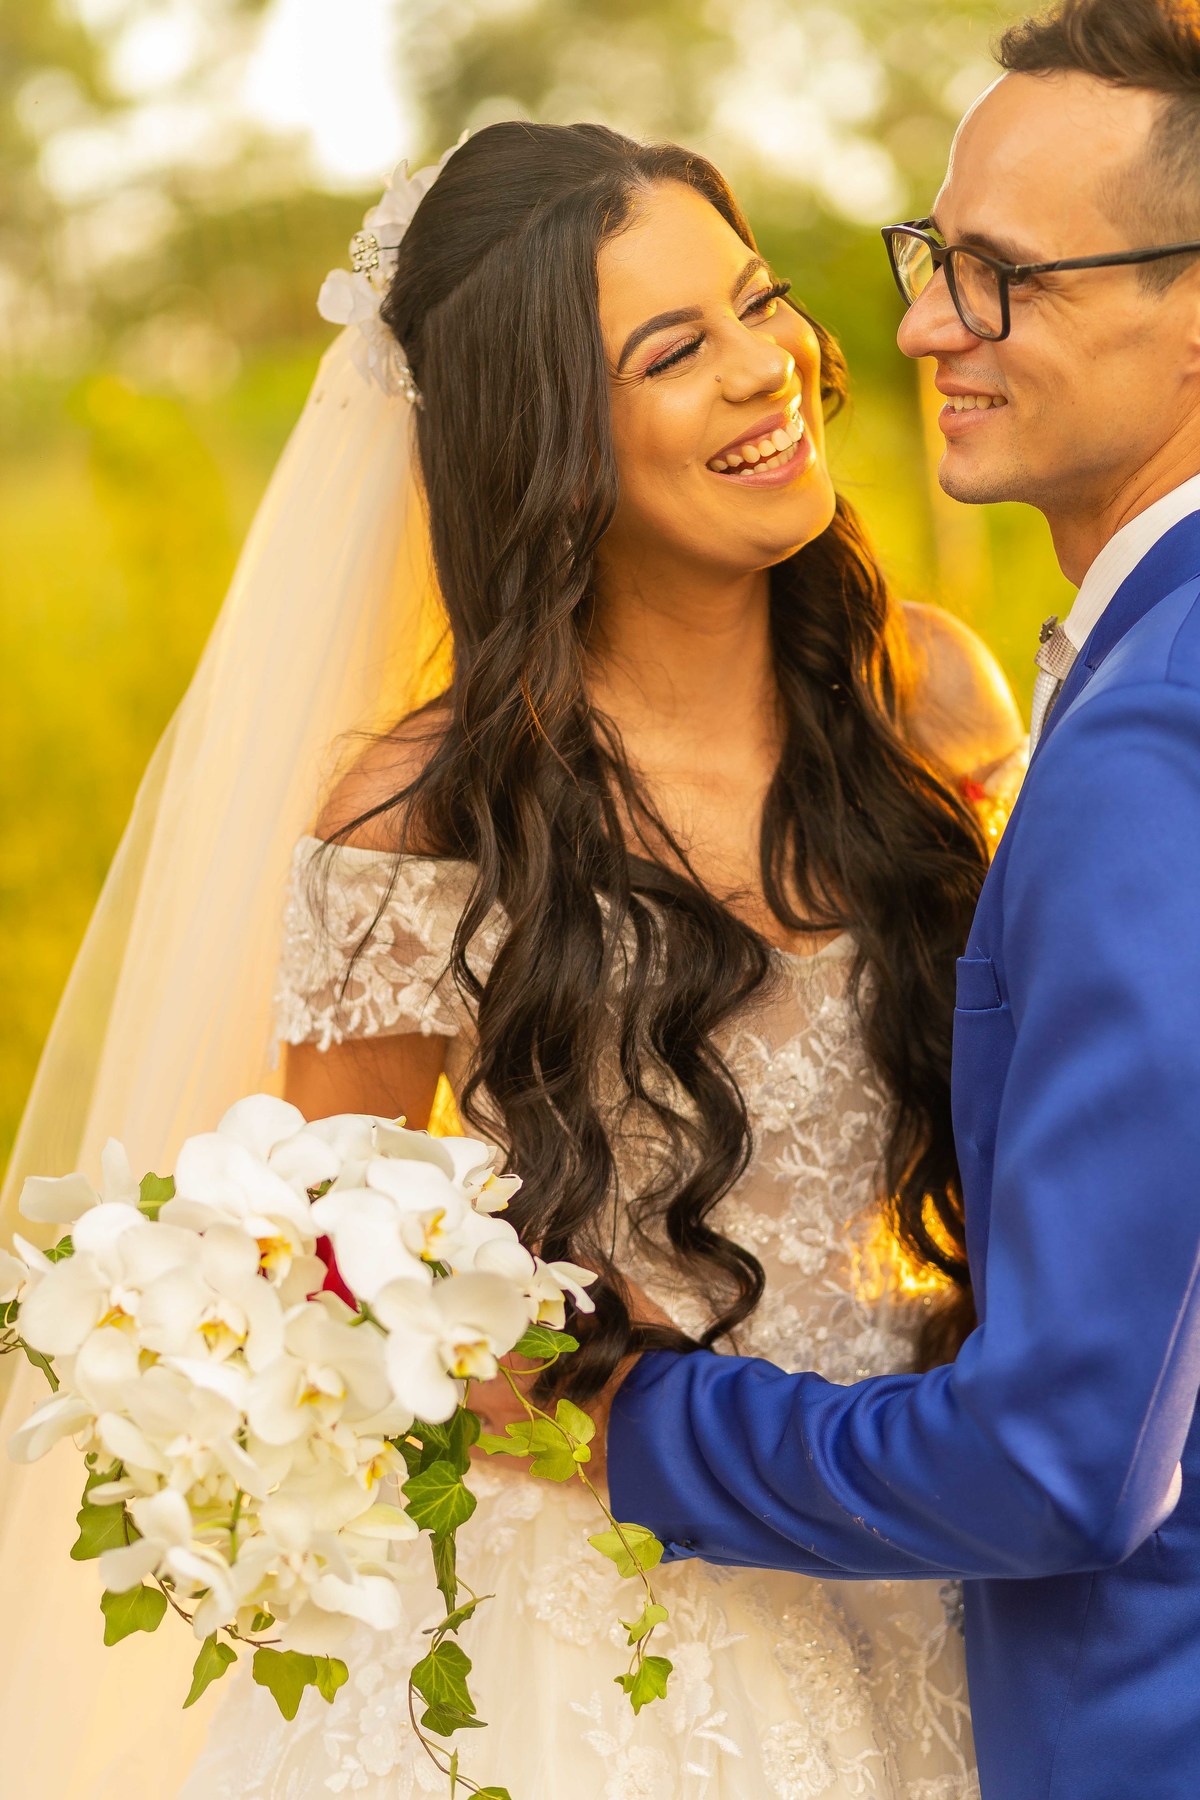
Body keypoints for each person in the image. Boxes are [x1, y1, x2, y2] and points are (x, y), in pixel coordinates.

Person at [162, 121, 1028, 1797]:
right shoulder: (421, 813)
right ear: (547, 436)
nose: (769, 368)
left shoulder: (931, 702)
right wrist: (561, 1383)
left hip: (918, 1520)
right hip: (588, 1604)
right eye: (674, 349)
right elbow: (324, 1250)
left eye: (759, 302)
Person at [600, 5, 1200, 1798]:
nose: (927, 322)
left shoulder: (1154, 740)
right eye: (937, 256)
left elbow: (1061, 1464)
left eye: (1008, 276)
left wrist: (625, 1414)